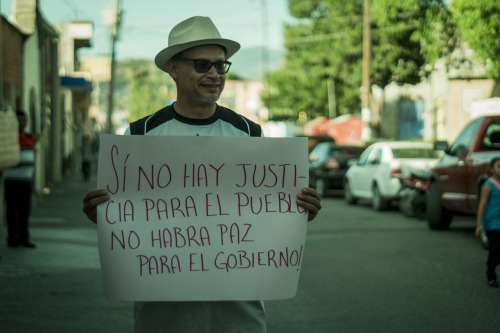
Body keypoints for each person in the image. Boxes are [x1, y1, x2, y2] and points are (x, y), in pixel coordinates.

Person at [82, 16, 322, 332]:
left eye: (220, 66)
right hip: (163, 315)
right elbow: (128, 218)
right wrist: (102, 214)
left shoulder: (250, 134)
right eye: (201, 64)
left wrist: (300, 211)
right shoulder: (139, 136)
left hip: (238, 315)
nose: (213, 74)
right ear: (173, 68)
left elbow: (268, 217)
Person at [3, 110, 36, 248]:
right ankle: (12, 238)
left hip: (26, 181)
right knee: (12, 211)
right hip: (11, 180)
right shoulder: (8, 138)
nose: (22, 122)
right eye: (20, 120)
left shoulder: (30, 137)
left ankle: (23, 237)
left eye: (24, 120)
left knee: (24, 212)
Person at [476, 156, 500, 287]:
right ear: (492, 169)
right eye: (499, 167)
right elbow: (482, 204)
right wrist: (479, 225)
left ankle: (492, 264)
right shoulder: (488, 185)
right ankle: (490, 273)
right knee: (495, 248)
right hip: (492, 222)